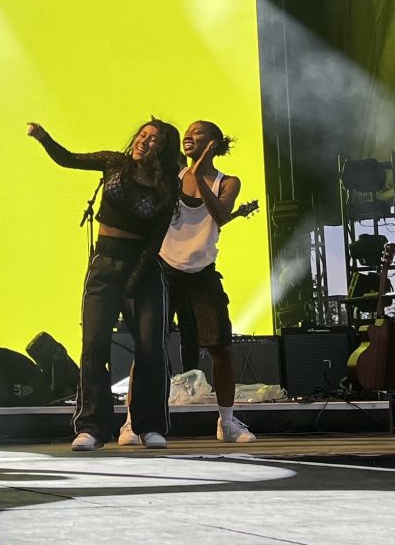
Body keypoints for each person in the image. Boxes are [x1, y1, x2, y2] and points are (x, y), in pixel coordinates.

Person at [27, 118, 184, 451]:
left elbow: (155, 240)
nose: (144, 141)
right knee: (94, 345)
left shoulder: (167, 185)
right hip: (105, 263)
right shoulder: (115, 163)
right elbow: (69, 159)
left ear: (163, 149)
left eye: (153, 140)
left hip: (143, 269)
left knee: (150, 348)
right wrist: (43, 137)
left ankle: (149, 426)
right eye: (142, 135)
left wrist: (133, 280)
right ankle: (91, 427)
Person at [163, 121, 254, 444]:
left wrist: (200, 174)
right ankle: (134, 421)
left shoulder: (226, 182)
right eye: (188, 132)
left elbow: (221, 215)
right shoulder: (173, 176)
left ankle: (227, 422)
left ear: (214, 143)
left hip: (202, 272)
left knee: (221, 349)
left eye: (198, 133)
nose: (189, 136)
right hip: (165, 268)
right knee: (149, 347)